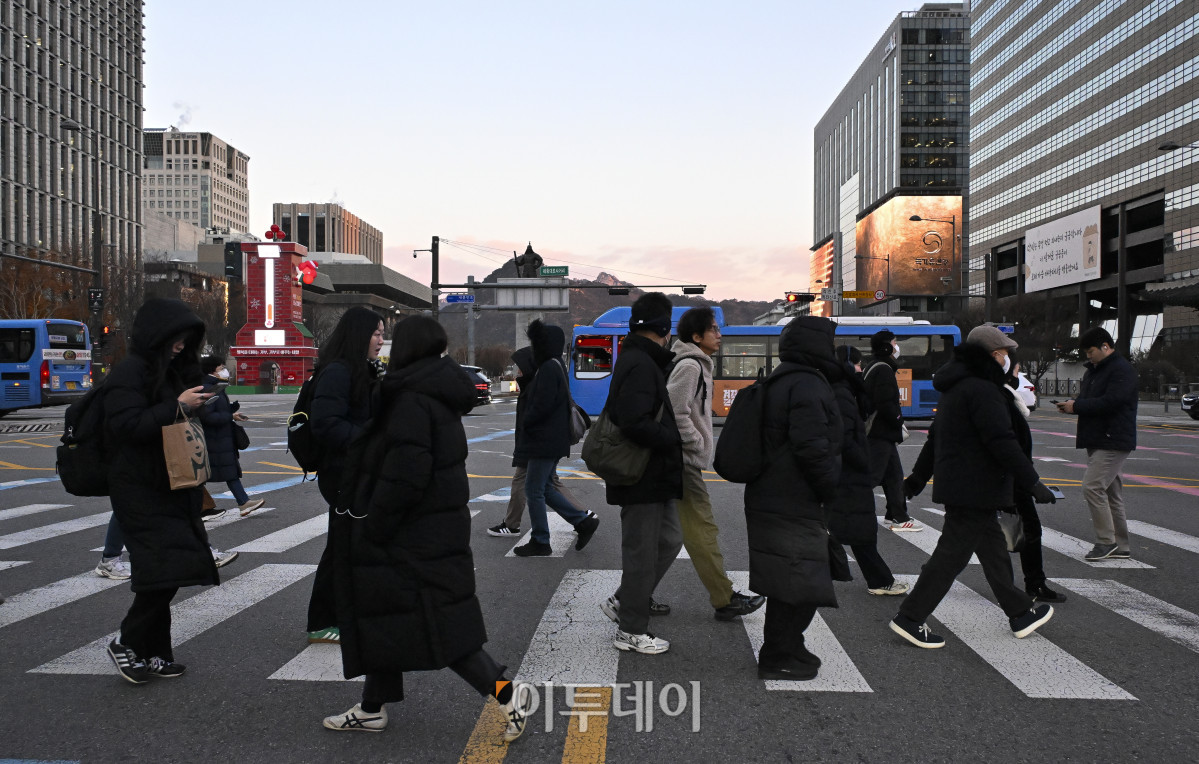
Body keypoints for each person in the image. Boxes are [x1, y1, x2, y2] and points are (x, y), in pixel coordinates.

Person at [323, 315, 529, 741]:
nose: (383, 342)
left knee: (440, 626)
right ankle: (371, 708)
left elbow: (406, 475)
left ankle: (507, 693)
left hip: (411, 535)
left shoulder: (409, 399)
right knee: (385, 616)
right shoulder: (434, 393)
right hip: (434, 528)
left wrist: (374, 526)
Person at [895, 325, 1058, 649]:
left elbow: (936, 438)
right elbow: (1001, 441)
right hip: (974, 487)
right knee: (950, 558)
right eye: (1004, 353)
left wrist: (916, 479)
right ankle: (910, 618)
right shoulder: (982, 390)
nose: (1008, 359)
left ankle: (1019, 612)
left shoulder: (959, 387)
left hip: (969, 486)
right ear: (991, 355)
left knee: (993, 550)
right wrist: (1032, 481)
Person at [102, 298, 221, 683]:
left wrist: (196, 402)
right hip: (140, 487)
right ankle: (127, 642)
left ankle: (155, 653)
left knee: (169, 568)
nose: (181, 345)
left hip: (174, 484)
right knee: (162, 571)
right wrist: (177, 405)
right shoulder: (130, 372)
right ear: (157, 335)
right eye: (175, 338)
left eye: (186, 339)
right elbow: (127, 427)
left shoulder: (168, 372)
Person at [746, 317, 844, 680]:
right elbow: (812, 447)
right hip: (796, 496)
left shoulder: (782, 378)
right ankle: (777, 655)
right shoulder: (806, 383)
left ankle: (787, 646)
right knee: (799, 580)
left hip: (774, 492)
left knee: (790, 578)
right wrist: (830, 487)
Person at [598, 293, 683, 655]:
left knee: (669, 540)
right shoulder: (639, 363)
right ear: (664, 328)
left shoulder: (641, 360)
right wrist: (671, 439)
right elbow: (634, 420)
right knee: (642, 552)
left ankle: (624, 600)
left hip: (652, 474)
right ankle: (631, 629)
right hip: (640, 473)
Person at [666, 307, 765, 620]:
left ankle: (630, 596)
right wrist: (695, 444)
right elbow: (675, 409)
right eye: (713, 329)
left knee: (663, 534)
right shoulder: (691, 366)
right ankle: (724, 599)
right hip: (683, 463)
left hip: (679, 462)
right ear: (697, 337)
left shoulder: (694, 363)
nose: (719, 334)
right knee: (702, 531)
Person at [305, 307, 385, 645]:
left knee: (354, 544)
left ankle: (349, 613)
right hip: (341, 473)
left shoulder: (361, 370)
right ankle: (323, 620)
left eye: (382, 333)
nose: (381, 339)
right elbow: (325, 423)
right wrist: (369, 439)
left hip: (358, 470)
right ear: (358, 335)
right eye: (376, 332)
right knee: (341, 546)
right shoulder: (338, 371)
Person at [509, 321, 599, 556]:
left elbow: (541, 407)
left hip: (544, 441)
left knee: (534, 489)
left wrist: (528, 421)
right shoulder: (556, 364)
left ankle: (541, 540)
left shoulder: (548, 367)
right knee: (545, 487)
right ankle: (582, 522)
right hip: (551, 440)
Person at [829, 345, 909, 597]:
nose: (861, 368)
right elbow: (844, 436)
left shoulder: (843, 388)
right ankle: (879, 579)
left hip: (848, 471)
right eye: (858, 364)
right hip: (849, 472)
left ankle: (879, 578)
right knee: (857, 527)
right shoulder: (843, 392)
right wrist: (861, 461)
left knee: (855, 525)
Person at [1056, 327, 1138, 561]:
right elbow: (1090, 400)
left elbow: (1112, 402)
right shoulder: (1095, 370)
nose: (1088, 356)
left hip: (1113, 438)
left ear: (1105, 346)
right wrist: (1073, 404)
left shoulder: (1122, 370)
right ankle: (1120, 546)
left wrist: (1077, 406)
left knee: (1092, 487)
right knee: (1111, 493)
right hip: (1099, 437)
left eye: (1091, 351)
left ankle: (1106, 542)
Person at [489, 346, 589, 539]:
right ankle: (582, 516)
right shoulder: (537, 382)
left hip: (537, 447)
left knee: (534, 488)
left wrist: (524, 449)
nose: (518, 371)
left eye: (520, 367)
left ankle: (532, 532)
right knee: (548, 484)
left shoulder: (536, 386)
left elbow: (533, 421)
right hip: (540, 446)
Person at [1005, 359, 1065, 603]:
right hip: (1010, 478)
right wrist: (1032, 483)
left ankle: (1031, 586)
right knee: (1029, 528)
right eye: (1017, 370)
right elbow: (1008, 446)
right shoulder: (1001, 398)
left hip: (1009, 477)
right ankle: (1033, 587)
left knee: (966, 538)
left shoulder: (999, 396)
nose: (1019, 376)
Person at [862, 330, 922, 532]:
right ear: (887, 347)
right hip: (881, 432)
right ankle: (833, 511)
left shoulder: (875, 366)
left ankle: (896, 515)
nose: (897, 347)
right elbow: (886, 402)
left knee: (894, 475)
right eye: (895, 343)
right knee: (869, 477)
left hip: (882, 432)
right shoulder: (884, 370)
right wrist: (898, 420)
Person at [199, 356, 265, 518]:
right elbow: (207, 416)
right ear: (213, 369)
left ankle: (243, 503)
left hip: (220, 440)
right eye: (221, 367)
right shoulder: (208, 388)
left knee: (225, 472)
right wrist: (229, 416)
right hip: (214, 440)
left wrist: (232, 411)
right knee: (205, 475)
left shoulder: (215, 386)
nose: (224, 370)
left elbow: (216, 410)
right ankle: (240, 503)